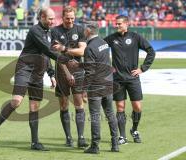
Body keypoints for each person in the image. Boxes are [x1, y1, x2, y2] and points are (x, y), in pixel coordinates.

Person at [0, 7, 73, 151]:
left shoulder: (49, 32)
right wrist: (66, 60)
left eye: (53, 18)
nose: (53, 21)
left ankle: (35, 143)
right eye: (50, 18)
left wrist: (51, 74)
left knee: (34, 107)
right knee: (16, 101)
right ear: (42, 18)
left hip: (38, 73)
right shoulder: (35, 30)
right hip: (24, 69)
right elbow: (48, 50)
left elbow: (46, 55)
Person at [104, 15, 155, 144]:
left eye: (119, 24)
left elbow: (151, 51)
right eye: (116, 24)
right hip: (117, 79)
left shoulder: (135, 37)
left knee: (137, 106)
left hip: (133, 78)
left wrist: (142, 68)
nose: (117, 26)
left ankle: (134, 129)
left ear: (127, 24)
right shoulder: (111, 38)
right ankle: (122, 136)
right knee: (120, 107)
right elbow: (99, 49)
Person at [51, 6, 88, 148]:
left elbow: (82, 52)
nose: (70, 21)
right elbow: (57, 55)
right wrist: (66, 72)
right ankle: (68, 138)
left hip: (78, 71)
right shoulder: (55, 31)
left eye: (73, 18)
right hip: (61, 71)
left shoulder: (80, 30)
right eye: (68, 18)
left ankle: (81, 137)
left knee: (79, 103)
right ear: (62, 17)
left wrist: (66, 49)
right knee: (64, 104)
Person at [82, 21, 119, 154]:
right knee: (110, 114)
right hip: (108, 82)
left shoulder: (89, 48)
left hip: (96, 86)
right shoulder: (103, 43)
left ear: (89, 30)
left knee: (95, 116)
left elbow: (90, 72)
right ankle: (115, 144)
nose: (83, 30)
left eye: (84, 28)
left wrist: (84, 89)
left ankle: (95, 146)